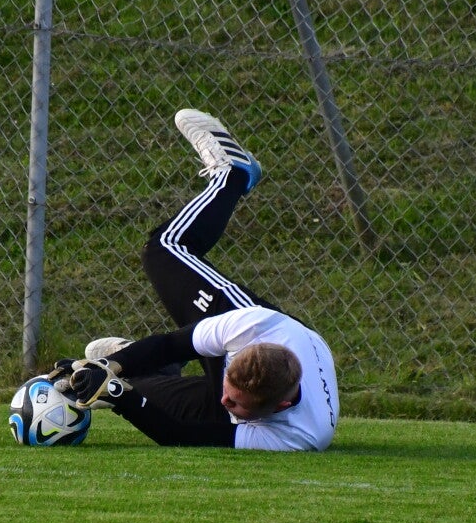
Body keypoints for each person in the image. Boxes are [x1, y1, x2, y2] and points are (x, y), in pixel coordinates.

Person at [55, 110, 339, 452]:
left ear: (279, 406)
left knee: (133, 389)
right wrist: (104, 367)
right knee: (163, 249)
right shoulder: (249, 327)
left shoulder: (299, 435)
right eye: (227, 389)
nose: (223, 401)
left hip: (265, 390)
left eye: (235, 403)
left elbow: (180, 435)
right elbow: (172, 343)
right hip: (275, 329)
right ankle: (233, 174)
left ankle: (158, 373)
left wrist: (116, 392)